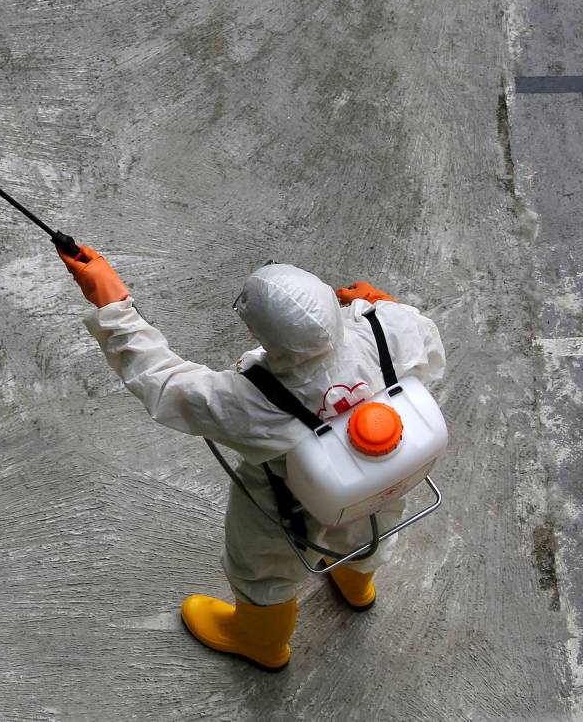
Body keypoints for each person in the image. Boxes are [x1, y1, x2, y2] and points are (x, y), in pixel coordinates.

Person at [58, 245, 445, 671]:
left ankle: (260, 642)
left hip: (285, 502)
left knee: (264, 567)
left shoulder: (250, 402)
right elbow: (426, 346)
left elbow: (165, 383)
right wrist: (378, 304)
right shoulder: (390, 329)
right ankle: (356, 584)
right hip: (385, 477)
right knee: (373, 522)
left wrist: (113, 306)